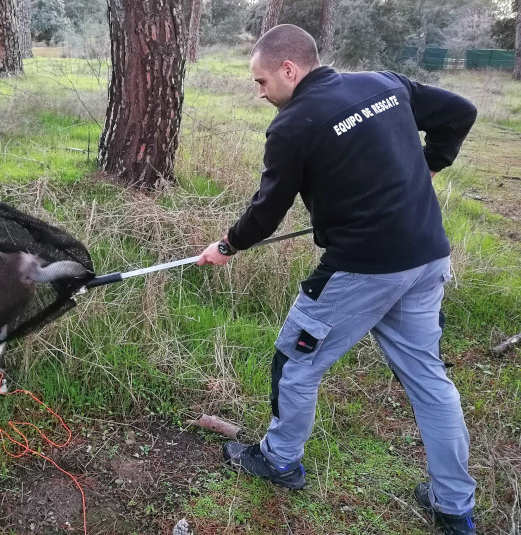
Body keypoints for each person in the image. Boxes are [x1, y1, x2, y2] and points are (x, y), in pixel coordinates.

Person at [196, 24, 478, 535]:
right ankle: (453, 506)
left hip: (363, 270)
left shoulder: (293, 125)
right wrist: (430, 162)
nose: (259, 93)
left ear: (289, 69)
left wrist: (226, 246)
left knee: (296, 358)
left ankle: (279, 460)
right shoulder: (384, 84)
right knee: (430, 381)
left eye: (261, 82)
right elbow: (461, 113)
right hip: (428, 257)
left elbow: (266, 212)